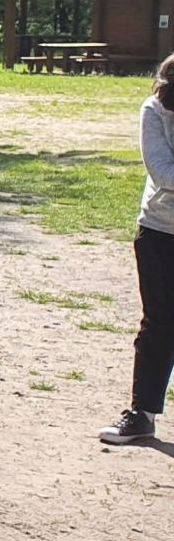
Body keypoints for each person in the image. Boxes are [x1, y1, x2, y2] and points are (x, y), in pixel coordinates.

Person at [100, 53, 174, 446]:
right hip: (161, 231)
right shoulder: (155, 110)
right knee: (158, 324)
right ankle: (142, 414)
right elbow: (162, 172)